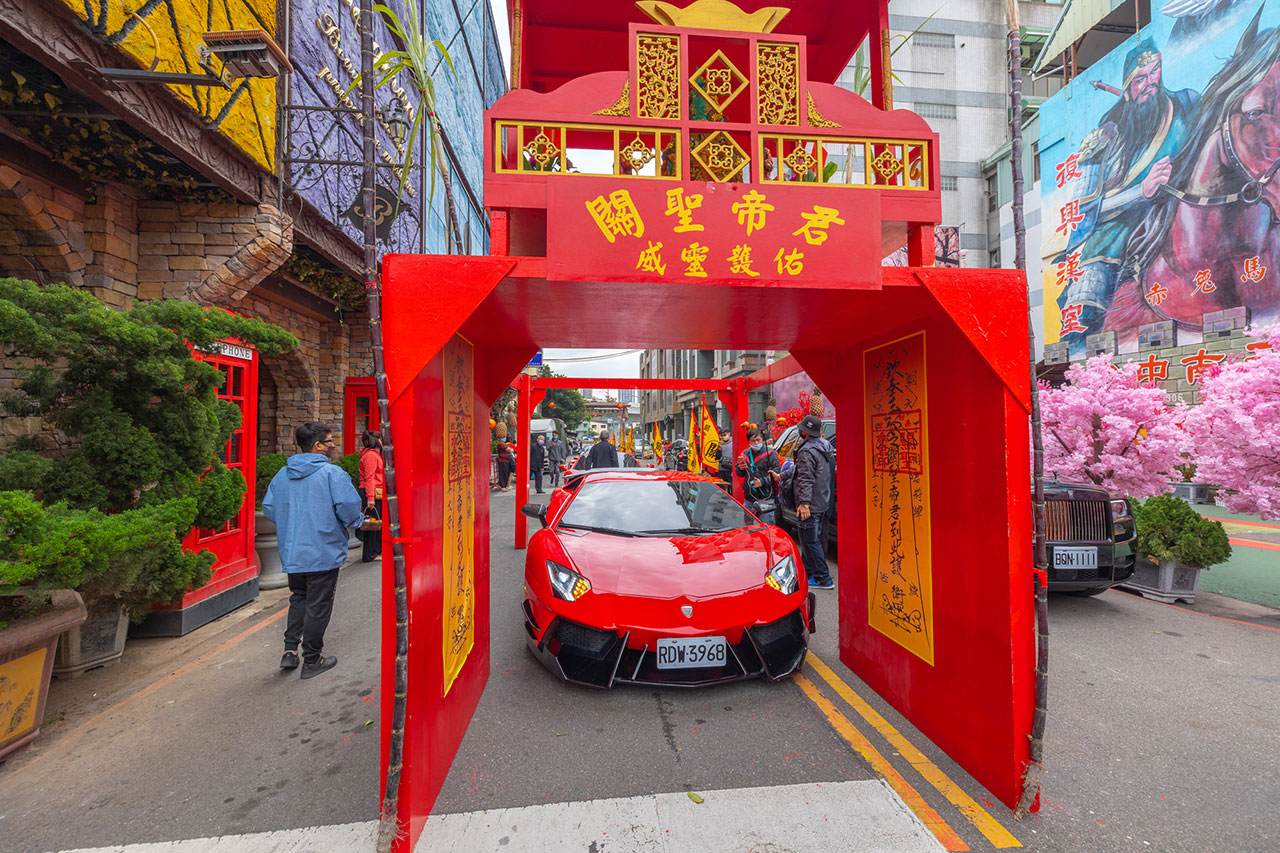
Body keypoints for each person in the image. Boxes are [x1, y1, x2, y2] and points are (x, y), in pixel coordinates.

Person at [262, 422, 363, 679]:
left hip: (293, 550)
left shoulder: (281, 475)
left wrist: (293, 522)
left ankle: (289, 650)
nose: (333, 446)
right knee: (318, 605)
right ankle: (312, 659)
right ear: (318, 445)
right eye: (330, 442)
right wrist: (358, 523)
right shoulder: (332, 474)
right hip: (323, 551)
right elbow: (349, 509)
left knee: (298, 599)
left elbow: (270, 509)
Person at [793, 414, 835, 590]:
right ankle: (807, 572)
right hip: (823, 500)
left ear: (805, 432)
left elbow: (806, 478)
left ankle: (823, 578)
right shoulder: (826, 446)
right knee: (812, 539)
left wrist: (804, 503)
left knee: (810, 541)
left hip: (810, 503)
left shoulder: (807, 451)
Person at [736, 428, 780, 524]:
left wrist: (762, 482)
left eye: (758, 440)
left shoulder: (770, 454)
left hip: (766, 497)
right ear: (749, 442)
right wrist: (740, 468)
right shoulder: (745, 454)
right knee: (748, 528)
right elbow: (739, 474)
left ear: (762, 440)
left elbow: (776, 473)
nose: (756, 443)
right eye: (753, 441)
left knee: (766, 526)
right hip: (749, 498)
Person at [357, 431, 384, 563]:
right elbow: (369, 478)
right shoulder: (371, 456)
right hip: (371, 492)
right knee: (372, 525)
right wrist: (370, 498)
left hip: (373, 491)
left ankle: (375, 551)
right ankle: (369, 555)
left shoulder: (371, 454)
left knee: (376, 523)